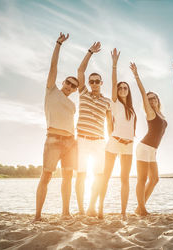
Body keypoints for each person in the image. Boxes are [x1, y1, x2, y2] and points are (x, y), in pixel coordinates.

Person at [34, 33, 79, 222]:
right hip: (53, 139)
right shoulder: (51, 90)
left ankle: (66, 213)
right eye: (68, 82)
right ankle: (37, 216)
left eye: (74, 85)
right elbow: (53, 67)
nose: (70, 86)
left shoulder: (72, 104)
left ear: (75, 89)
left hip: (71, 142)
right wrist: (59, 44)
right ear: (63, 82)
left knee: (68, 178)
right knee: (46, 176)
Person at [95, 48, 136, 220]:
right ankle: (100, 208)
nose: (122, 89)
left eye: (125, 88)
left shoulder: (132, 110)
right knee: (106, 175)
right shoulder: (114, 103)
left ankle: (123, 212)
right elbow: (113, 83)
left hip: (128, 145)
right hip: (114, 142)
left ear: (128, 90)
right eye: (120, 88)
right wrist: (114, 65)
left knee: (125, 179)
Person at [75, 42, 112, 216]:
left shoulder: (107, 102)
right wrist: (90, 52)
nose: (94, 83)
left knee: (98, 175)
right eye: (91, 81)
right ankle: (81, 210)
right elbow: (80, 71)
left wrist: (111, 140)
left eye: (97, 81)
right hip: (82, 140)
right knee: (81, 175)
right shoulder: (83, 93)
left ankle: (91, 206)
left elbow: (110, 123)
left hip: (99, 142)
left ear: (101, 83)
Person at [129, 62, 167, 216]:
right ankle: (142, 208)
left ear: (158, 100)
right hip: (144, 148)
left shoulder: (161, 115)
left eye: (154, 98)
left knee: (155, 179)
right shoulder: (150, 113)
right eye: (149, 99)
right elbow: (143, 92)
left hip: (152, 150)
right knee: (142, 179)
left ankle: (140, 206)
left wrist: (156, 151)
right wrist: (137, 75)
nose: (151, 101)